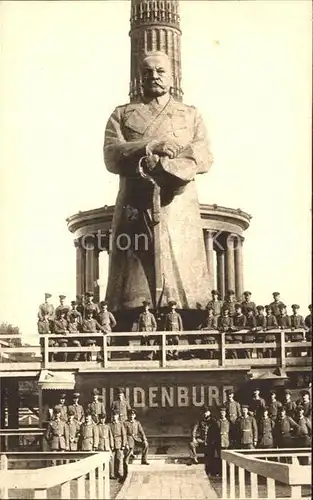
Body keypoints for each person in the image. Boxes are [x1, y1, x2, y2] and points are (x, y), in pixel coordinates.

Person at [103, 50, 213, 313]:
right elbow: (111, 154)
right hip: (135, 203)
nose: (154, 76)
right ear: (139, 79)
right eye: (147, 72)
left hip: (177, 201)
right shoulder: (122, 115)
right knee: (134, 280)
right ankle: (131, 314)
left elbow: (204, 154)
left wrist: (169, 167)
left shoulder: (190, 114)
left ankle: (191, 313)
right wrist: (150, 146)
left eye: (160, 71)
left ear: (172, 77)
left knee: (184, 277)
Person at [189, 406, 218, 475]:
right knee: (191, 444)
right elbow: (194, 429)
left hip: (210, 440)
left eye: (206, 412)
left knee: (211, 455)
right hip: (202, 439)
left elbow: (216, 430)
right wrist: (194, 438)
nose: (205, 414)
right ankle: (194, 458)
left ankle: (212, 470)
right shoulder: (200, 420)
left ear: (209, 413)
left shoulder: (213, 420)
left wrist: (214, 439)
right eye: (204, 412)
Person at [109, 410, 127, 480]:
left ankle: (120, 473)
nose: (114, 417)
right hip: (112, 444)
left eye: (116, 415)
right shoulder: (109, 425)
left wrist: (123, 444)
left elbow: (124, 435)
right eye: (113, 415)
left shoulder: (120, 424)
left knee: (119, 459)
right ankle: (112, 474)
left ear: (118, 416)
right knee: (111, 460)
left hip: (119, 443)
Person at [215, 407, 230, 475]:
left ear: (225, 413)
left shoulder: (228, 422)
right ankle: (220, 472)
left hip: (226, 442)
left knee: (226, 458)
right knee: (219, 457)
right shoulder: (217, 422)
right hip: (219, 441)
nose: (222, 414)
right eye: (221, 413)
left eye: (223, 413)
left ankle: (227, 472)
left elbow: (231, 432)